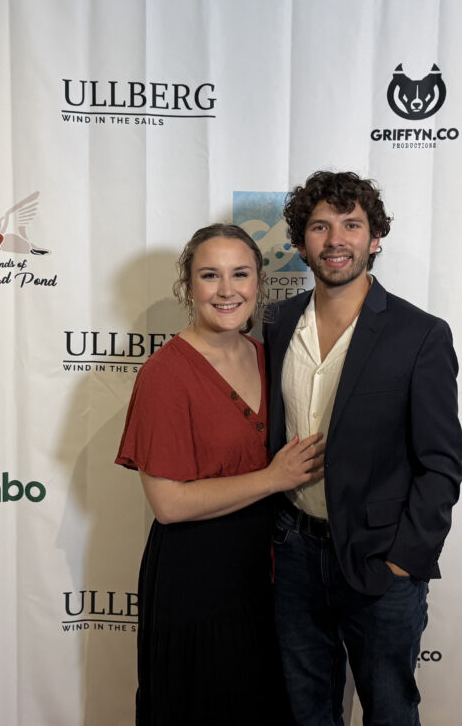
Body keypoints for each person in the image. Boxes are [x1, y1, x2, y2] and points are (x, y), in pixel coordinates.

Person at [264, 171, 462, 725]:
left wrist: (405, 559)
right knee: (307, 711)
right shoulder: (277, 324)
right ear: (301, 242)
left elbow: (441, 462)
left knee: (390, 712)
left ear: (374, 238)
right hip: (296, 555)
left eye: (351, 225)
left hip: (381, 559)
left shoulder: (419, 334)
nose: (336, 240)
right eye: (320, 226)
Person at [116, 223, 325, 726]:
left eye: (240, 274)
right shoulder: (166, 374)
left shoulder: (266, 354)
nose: (227, 290)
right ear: (188, 286)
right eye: (210, 276)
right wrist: (274, 478)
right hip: (197, 578)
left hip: (267, 572)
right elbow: (168, 504)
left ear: (259, 283)